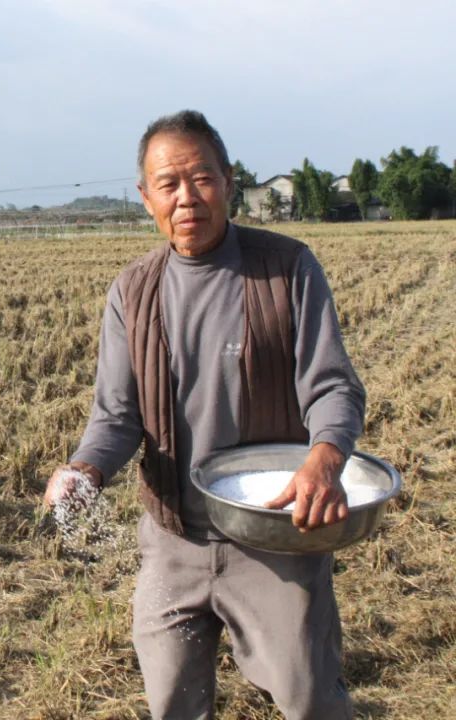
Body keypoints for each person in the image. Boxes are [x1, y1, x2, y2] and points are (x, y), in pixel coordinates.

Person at [44, 110, 365, 720]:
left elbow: (333, 387)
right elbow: (116, 417)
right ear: (146, 199)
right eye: (168, 184)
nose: (186, 197)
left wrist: (326, 457)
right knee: (173, 703)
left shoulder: (287, 269)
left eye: (202, 178)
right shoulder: (132, 292)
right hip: (173, 542)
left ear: (229, 183)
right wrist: (83, 470)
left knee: (310, 696)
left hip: (273, 535)